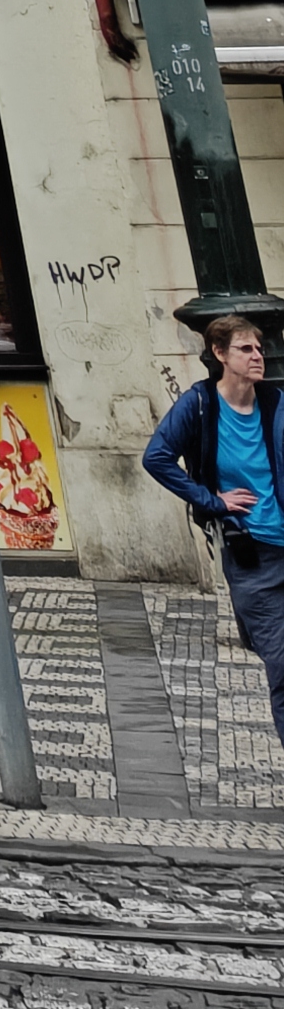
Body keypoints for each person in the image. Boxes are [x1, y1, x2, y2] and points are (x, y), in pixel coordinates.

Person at [144, 311, 284, 735]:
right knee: (282, 665)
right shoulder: (200, 403)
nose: (257, 356)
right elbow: (157, 458)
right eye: (245, 348)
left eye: (259, 348)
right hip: (252, 556)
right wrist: (211, 500)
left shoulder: (276, 402)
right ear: (220, 353)